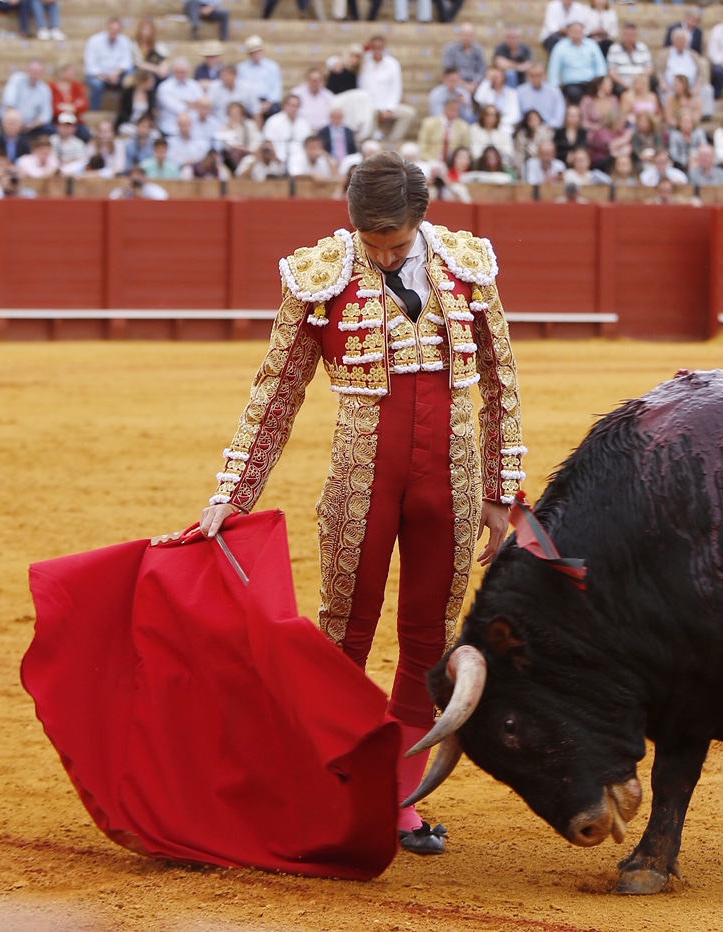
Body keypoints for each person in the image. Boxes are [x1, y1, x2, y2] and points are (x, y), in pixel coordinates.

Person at [178, 154, 523, 853]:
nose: (385, 256)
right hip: (361, 477)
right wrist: (232, 494)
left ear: (421, 220)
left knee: (429, 638)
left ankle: (398, 801)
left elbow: (500, 383)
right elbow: (278, 389)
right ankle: (330, 787)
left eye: (397, 244)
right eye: (373, 244)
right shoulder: (321, 274)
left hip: (451, 478)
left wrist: (500, 493)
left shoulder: (466, 265)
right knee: (344, 634)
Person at [361, 35, 418, 143]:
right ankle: (370, 142)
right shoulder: (364, 63)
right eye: (374, 47)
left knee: (409, 113)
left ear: (384, 48)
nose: (377, 50)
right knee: (370, 114)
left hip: (388, 105)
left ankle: (391, 142)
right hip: (370, 107)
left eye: (380, 47)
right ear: (371, 48)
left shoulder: (392, 63)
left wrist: (389, 108)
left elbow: (396, 88)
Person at [548, 20, 608, 105]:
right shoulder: (560, 47)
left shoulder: (591, 45)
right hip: (571, 83)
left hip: (591, 82)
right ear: (568, 32)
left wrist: (600, 80)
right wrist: (554, 87)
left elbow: (600, 65)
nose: (577, 34)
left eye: (579, 31)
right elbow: (554, 68)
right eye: (574, 31)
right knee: (574, 94)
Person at [83, 17, 135, 112]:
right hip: (99, 76)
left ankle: (127, 111)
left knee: (131, 77)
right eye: (112, 30)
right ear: (107, 28)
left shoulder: (124, 40)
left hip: (117, 75)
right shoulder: (94, 41)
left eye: (117, 31)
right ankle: (94, 112)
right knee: (96, 84)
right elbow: (90, 66)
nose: (114, 33)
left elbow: (127, 62)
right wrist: (107, 77)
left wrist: (116, 73)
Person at [238, 35, 284, 118]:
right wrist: (255, 104)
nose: (256, 54)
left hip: (269, 102)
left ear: (262, 50)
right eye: (253, 52)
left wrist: (268, 103)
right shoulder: (242, 68)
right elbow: (242, 88)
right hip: (250, 102)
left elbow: (276, 88)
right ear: (249, 54)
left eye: (258, 51)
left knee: (276, 112)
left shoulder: (272, 66)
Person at [516, 62, 567, 130]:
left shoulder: (554, 91)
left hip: (549, 128)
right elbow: (517, 115)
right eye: (532, 75)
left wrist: (546, 127)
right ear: (528, 76)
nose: (536, 78)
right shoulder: (520, 91)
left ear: (545, 75)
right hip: (526, 129)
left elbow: (559, 116)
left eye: (538, 75)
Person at [606, 22, 653, 95]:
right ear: (623, 35)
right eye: (628, 34)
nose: (630, 37)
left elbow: (649, 68)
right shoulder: (614, 49)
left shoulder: (643, 48)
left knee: (654, 82)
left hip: (640, 81)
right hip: (622, 83)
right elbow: (612, 71)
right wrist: (625, 85)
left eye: (632, 35)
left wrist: (640, 81)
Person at [444, 23, 487, 95]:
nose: (467, 38)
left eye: (469, 35)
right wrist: (464, 85)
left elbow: (482, 69)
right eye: (465, 35)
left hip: (476, 84)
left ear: (473, 36)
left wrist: (475, 83)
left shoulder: (478, 50)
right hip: (457, 83)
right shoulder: (451, 49)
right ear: (460, 35)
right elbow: (448, 70)